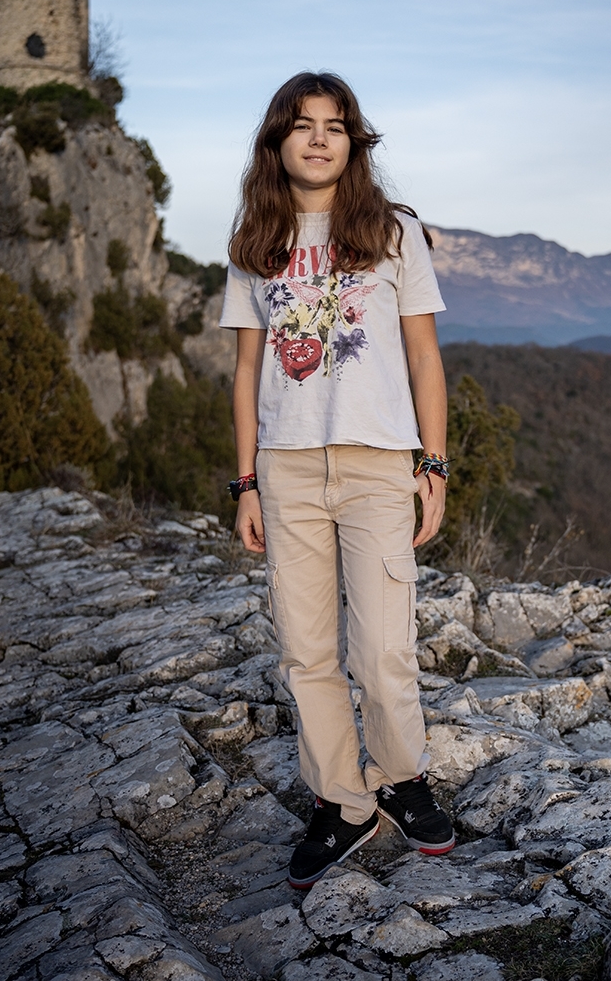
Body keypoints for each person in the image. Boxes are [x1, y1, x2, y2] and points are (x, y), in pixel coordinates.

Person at [218, 71, 455, 889]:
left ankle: (400, 777)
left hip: (376, 463)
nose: (318, 138)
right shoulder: (255, 240)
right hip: (285, 471)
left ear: (353, 142)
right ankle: (342, 802)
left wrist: (433, 462)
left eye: (334, 125)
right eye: (302, 124)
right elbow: (245, 370)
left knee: (384, 646)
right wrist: (246, 483)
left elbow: (424, 356)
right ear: (277, 141)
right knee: (306, 651)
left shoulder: (393, 232)